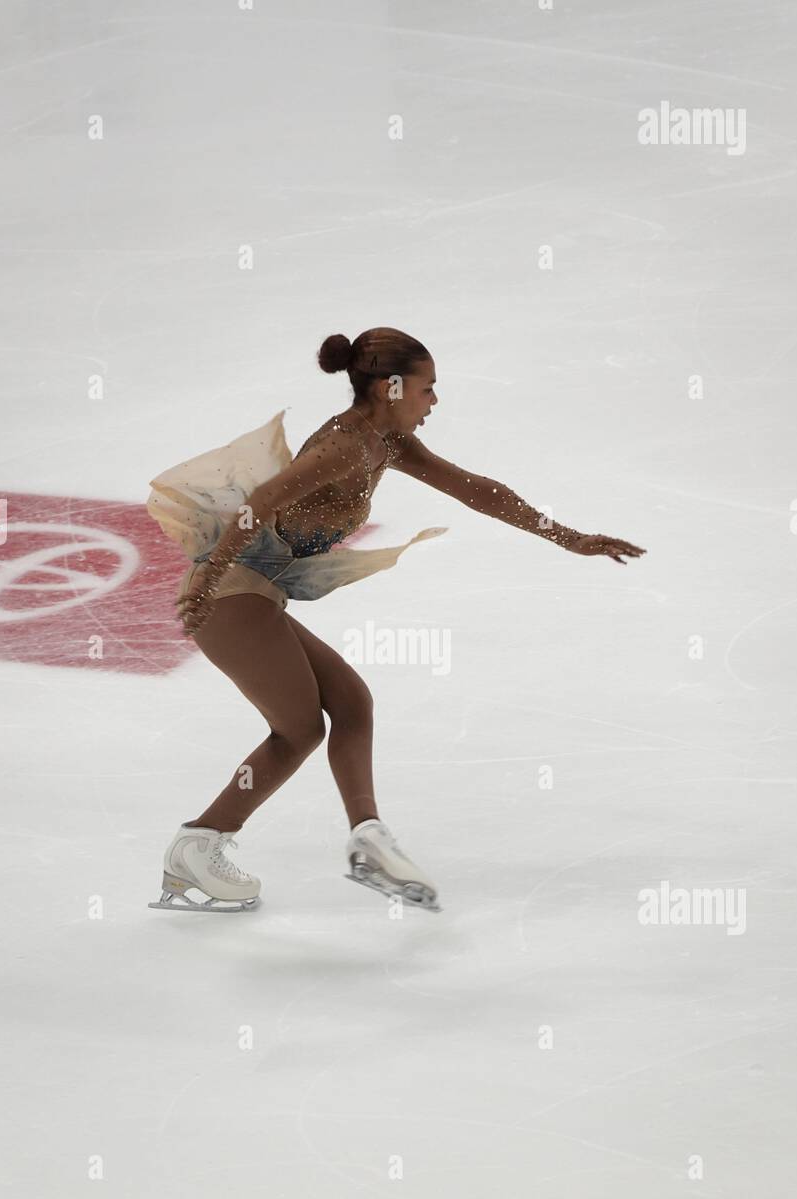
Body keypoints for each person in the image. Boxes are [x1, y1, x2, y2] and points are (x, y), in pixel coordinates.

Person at [148, 326, 645, 914]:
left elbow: (475, 490)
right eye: (427, 388)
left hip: (252, 591)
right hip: (229, 591)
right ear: (391, 387)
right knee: (300, 727)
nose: (433, 401)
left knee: (351, 704)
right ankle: (200, 844)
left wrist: (568, 537)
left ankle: (366, 837)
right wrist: (207, 579)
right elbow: (263, 502)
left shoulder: (385, 444)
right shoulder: (344, 446)